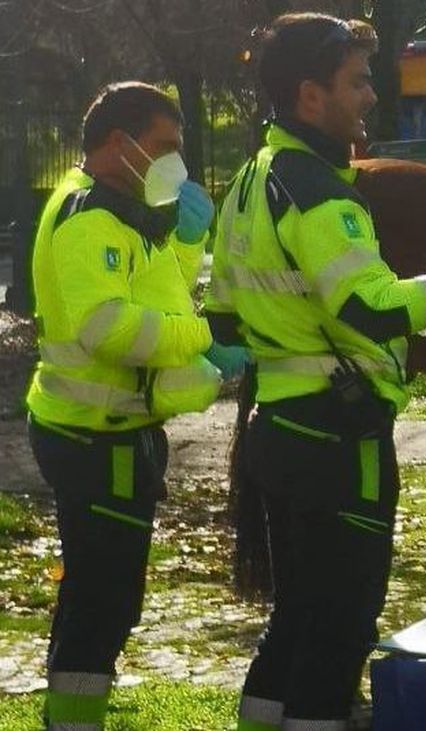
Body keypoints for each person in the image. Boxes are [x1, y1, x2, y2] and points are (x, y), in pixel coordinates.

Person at [206, 13, 426, 730]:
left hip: (277, 430)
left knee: (295, 621)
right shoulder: (321, 192)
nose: (371, 97)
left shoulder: (248, 180)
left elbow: (225, 316)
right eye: (357, 81)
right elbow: (373, 306)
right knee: (339, 632)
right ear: (309, 97)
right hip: (337, 443)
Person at [26, 82, 246, 730]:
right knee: (101, 601)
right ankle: (72, 717)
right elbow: (112, 329)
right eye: (164, 147)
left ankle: (74, 712)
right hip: (94, 440)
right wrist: (208, 339)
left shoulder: (125, 208)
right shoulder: (88, 215)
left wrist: (184, 240)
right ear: (119, 145)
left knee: (110, 597)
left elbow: (165, 292)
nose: (175, 161)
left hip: (118, 436)